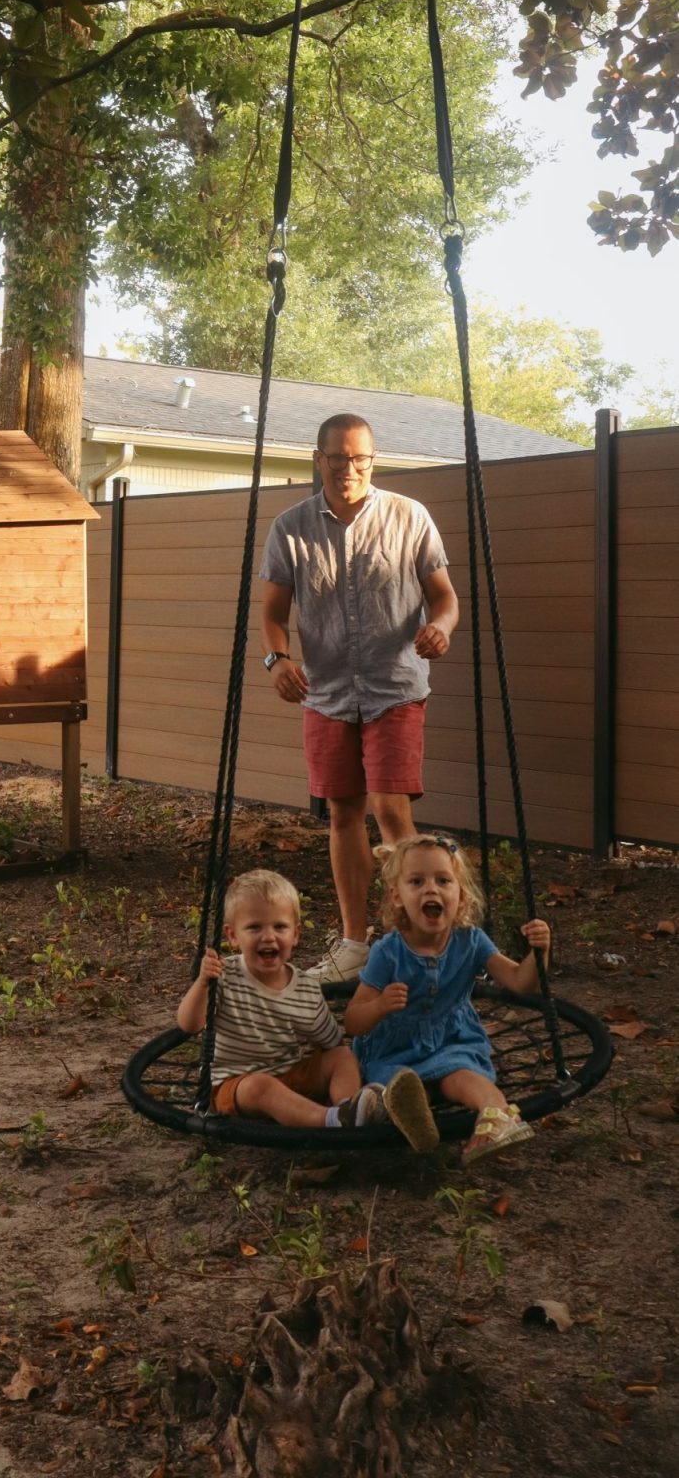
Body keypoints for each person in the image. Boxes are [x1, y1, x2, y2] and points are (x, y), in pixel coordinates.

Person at [258, 411, 460, 980]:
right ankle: (354, 946)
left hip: (394, 686)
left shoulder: (409, 516)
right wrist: (277, 660)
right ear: (318, 459)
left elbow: (445, 598)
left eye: (360, 458)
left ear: (373, 459)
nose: (349, 468)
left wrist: (441, 627)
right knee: (343, 812)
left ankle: (423, 941)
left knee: (391, 808)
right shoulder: (291, 528)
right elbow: (272, 615)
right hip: (325, 692)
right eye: (338, 457)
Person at [343, 833, 552, 1158]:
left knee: (461, 1073)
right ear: (397, 896)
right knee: (402, 1084)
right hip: (395, 1050)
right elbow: (353, 1021)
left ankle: (497, 1113)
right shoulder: (388, 952)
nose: (431, 889)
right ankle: (415, 1117)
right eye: (417, 881)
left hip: (452, 1041)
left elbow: (520, 982)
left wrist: (540, 952)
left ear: (462, 896)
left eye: (443, 880)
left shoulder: (471, 940)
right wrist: (380, 1006)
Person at [176, 867, 426, 1133]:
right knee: (261, 1086)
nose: (268, 936)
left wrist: (340, 1066)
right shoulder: (224, 976)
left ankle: (349, 1107)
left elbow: (331, 1041)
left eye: (279, 927)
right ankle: (330, 1120)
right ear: (233, 936)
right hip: (235, 1085)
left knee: (342, 1057)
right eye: (254, 927)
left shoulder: (306, 988)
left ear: (295, 934)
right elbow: (189, 1024)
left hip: (291, 1074)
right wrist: (202, 984)